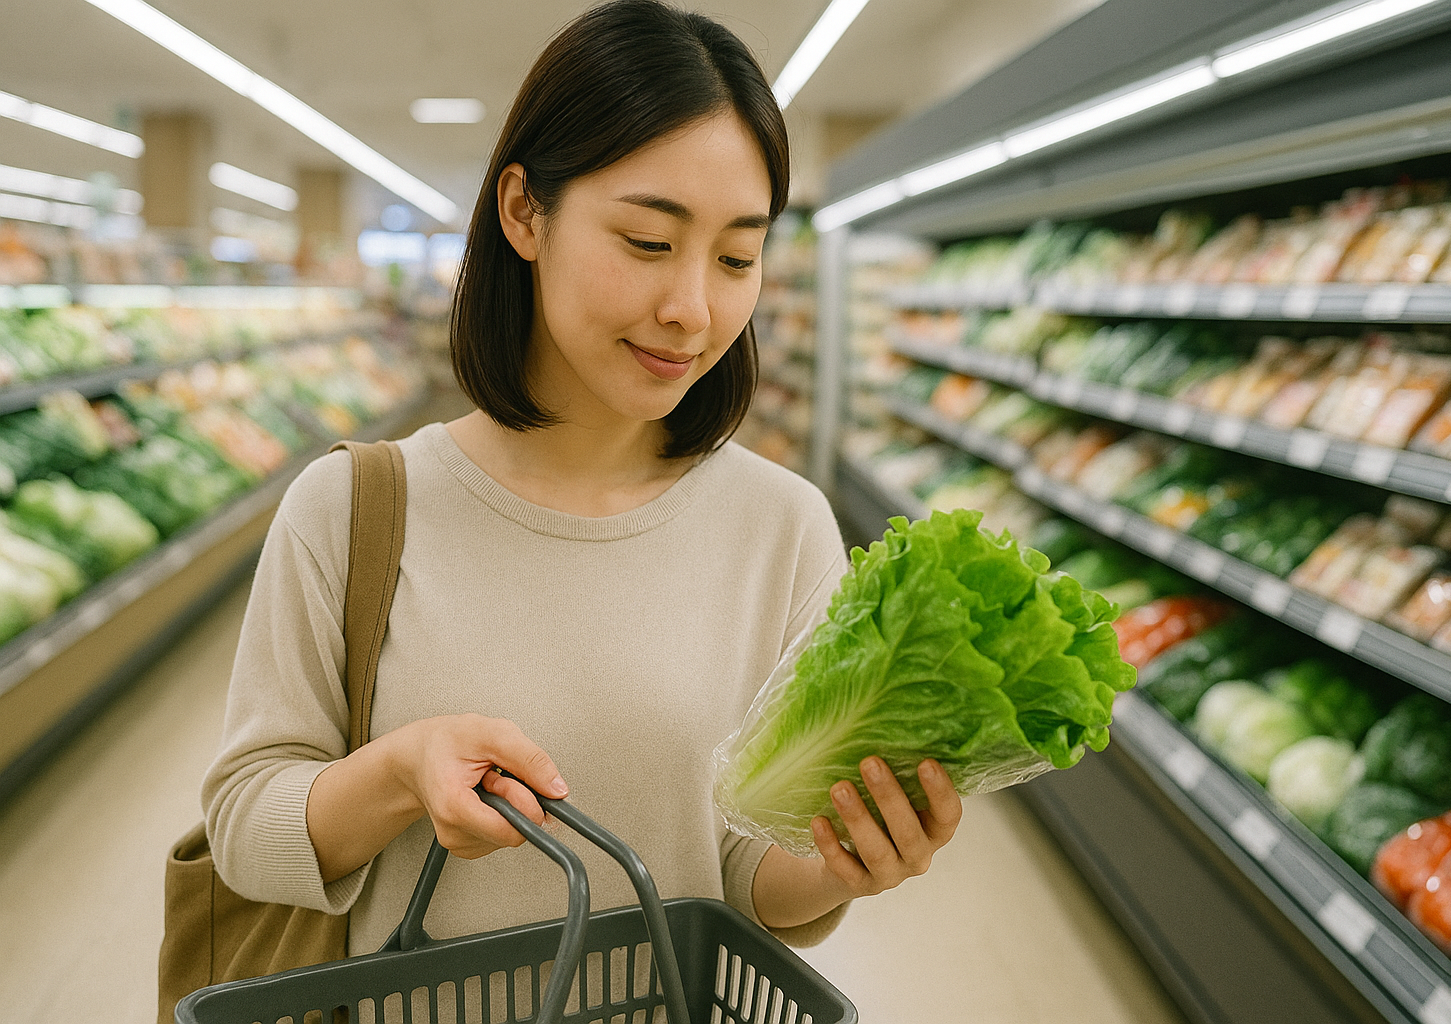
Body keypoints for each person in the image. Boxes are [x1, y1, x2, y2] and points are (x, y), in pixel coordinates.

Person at [203, 0, 962, 957]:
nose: (692, 307)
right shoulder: (356, 508)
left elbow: (733, 867)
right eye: (649, 242)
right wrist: (398, 776)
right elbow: (243, 825)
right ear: (525, 211)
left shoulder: (784, 528)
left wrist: (844, 858)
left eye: (738, 255)